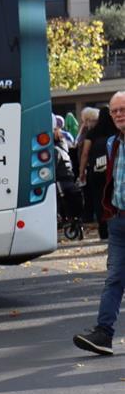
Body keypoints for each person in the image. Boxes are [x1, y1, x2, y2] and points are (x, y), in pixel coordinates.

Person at [73, 91, 125, 356]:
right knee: (114, 278)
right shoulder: (112, 143)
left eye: (122, 109)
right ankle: (103, 334)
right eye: (114, 111)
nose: (118, 115)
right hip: (118, 220)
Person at [79, 106, 114, 240]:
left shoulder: (92, 133)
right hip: (113, 171)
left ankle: (104, 232)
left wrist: (82, 171)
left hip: (97, 172)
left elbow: (85, 153)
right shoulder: (116, 132)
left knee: (99, 200)